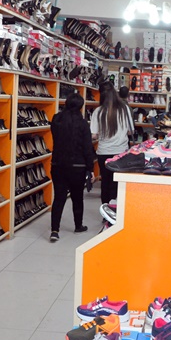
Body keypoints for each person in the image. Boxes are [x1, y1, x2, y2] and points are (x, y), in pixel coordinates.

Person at [49, 93, 96, 241]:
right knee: (77, 197)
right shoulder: (82, 124)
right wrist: (90, 168)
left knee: (59, 198)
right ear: (80, 107)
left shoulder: (56, 120)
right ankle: (78, 225)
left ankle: (54, 230)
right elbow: (87, 148)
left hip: (58, 164)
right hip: (78, 166)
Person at [91, 81, 134, 205]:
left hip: (103, 152)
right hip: (121, 152)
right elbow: (130, 131)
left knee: (105, 182)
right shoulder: (124, 109)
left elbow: (94, 135)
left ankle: (105, 209)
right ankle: (116, 210)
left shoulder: (98, 111)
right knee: (118, 184)